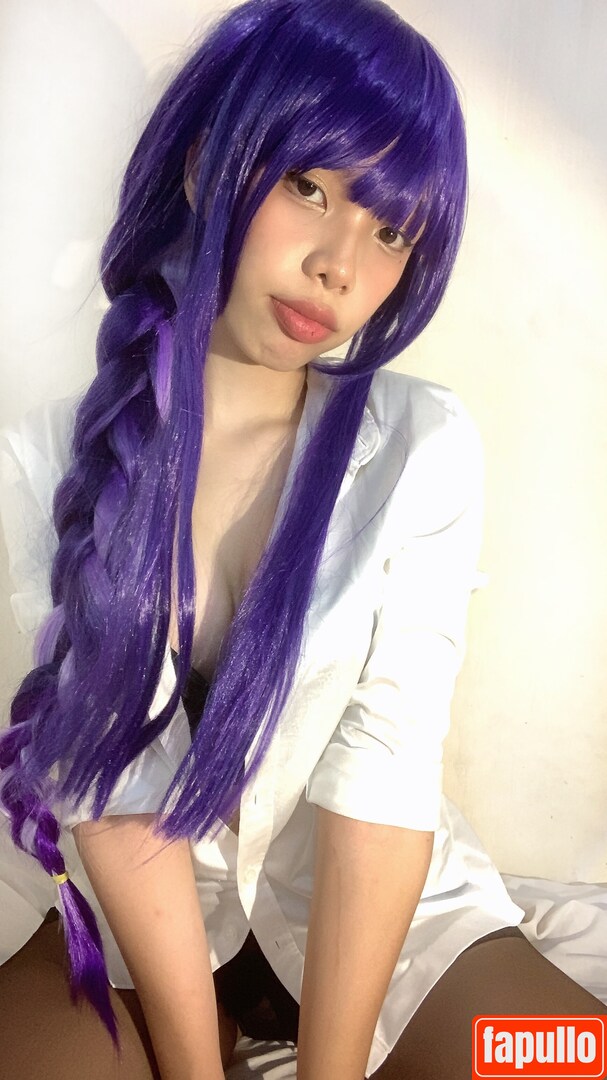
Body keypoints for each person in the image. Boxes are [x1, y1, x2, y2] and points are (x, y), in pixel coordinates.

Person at [0, 1, 605, 1078]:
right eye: (308, 187)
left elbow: (386, 770)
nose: (339, 265)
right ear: (205, 164)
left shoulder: (419, 445)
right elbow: (115, 791)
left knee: (567, 1058)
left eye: (391, 230)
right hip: (143, 942)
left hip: (382, 927)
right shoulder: (46, 460)